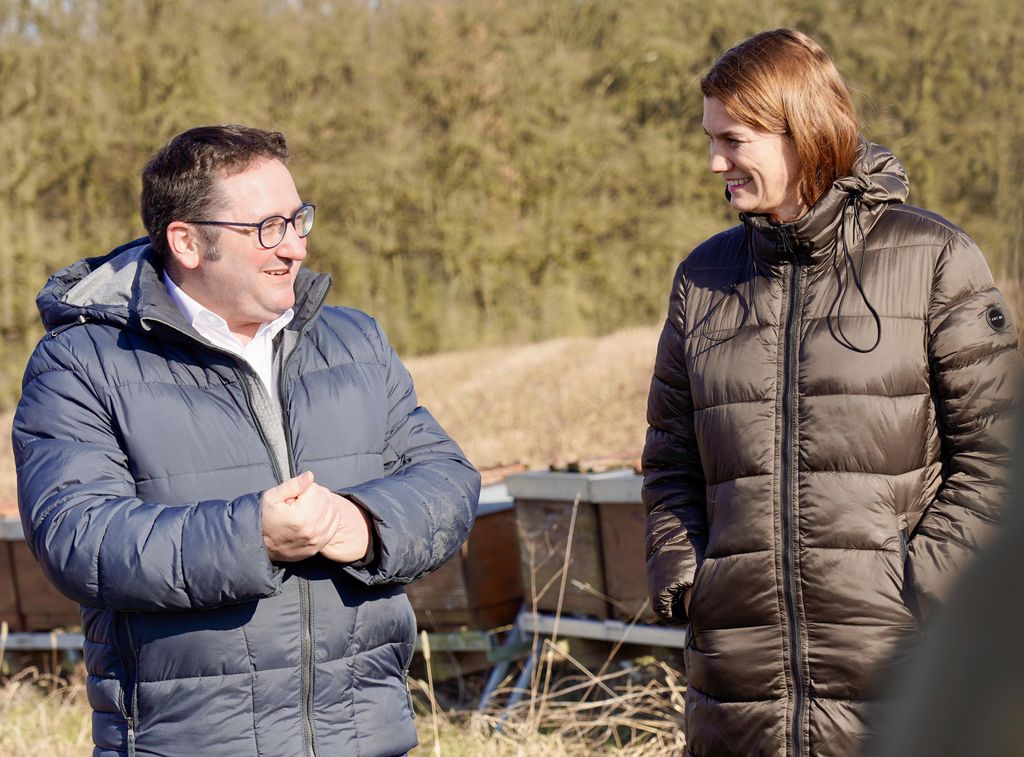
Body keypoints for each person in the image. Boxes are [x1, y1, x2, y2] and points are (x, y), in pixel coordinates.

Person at [13, 124, 481, 757]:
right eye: (266, 228)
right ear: (187, 241)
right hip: (188, 741)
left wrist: (366, 524)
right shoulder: (82, 363)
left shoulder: (355, 342)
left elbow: (447, 479)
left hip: (365, 735)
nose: (294, 248)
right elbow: (79, 537)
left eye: (297, 220)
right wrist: (249, 538)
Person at [642, 29, 1019, 756]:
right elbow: (668, 458)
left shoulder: (934, 258)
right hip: (735, 691)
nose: (714, 160)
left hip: (899, 678)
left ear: (802, 131)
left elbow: (999, 458)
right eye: (710, 137)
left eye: (734, 138)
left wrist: (915, 587)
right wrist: (692, 579)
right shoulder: (703, 279)